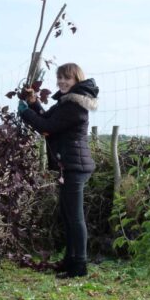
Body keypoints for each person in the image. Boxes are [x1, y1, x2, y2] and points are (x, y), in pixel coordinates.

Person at [17, 63, 98, 278]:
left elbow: (48, 127)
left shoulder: (74, 105)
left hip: (74, 166)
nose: (62, 82)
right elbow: (46, 118)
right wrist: (33, 104)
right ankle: (70, 260)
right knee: (67, 215)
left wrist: (25, 114)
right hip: (70, 165)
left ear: (76, 80)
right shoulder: (67, 101)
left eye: (67, 78)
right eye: (60, 78)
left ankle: (79, 266)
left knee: (74, 217)